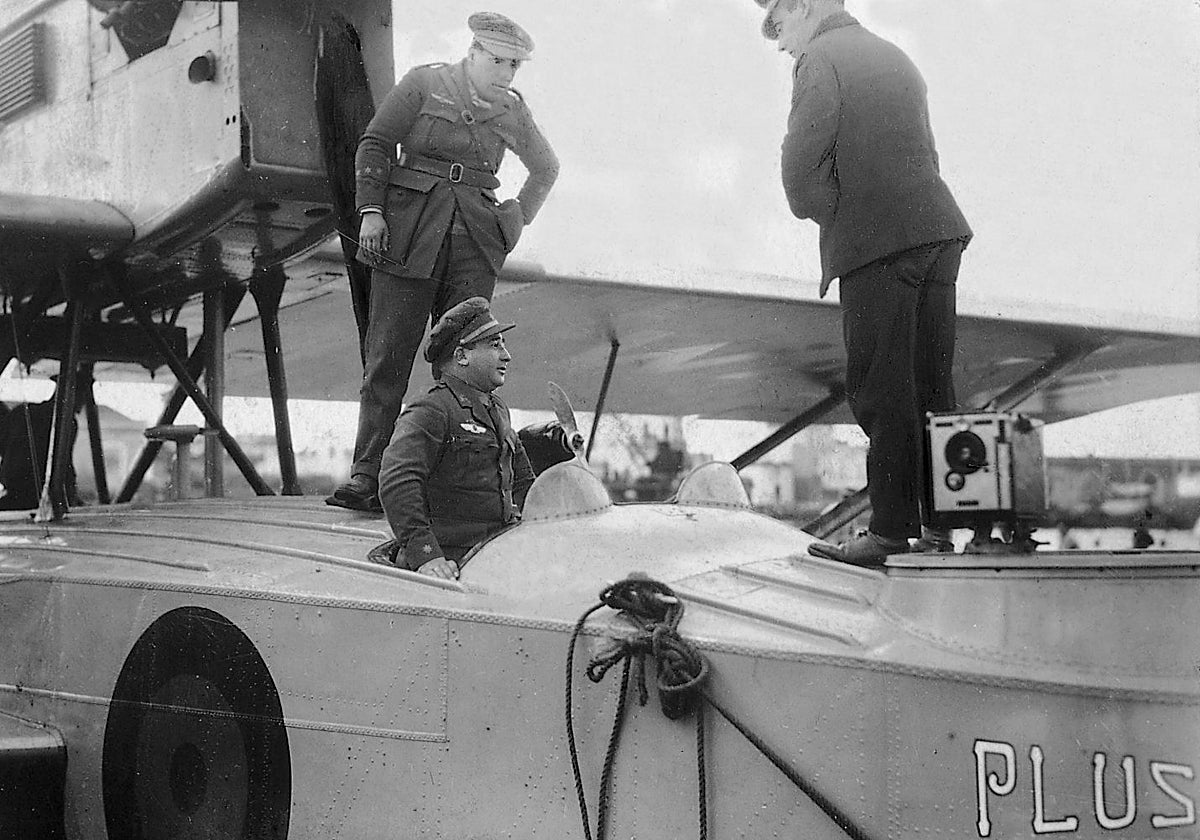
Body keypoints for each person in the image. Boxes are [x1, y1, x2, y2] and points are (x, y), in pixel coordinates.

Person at [755, 0, 973, 566]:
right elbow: (928, 154)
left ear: (802, 7)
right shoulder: (896, 56)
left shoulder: (819, 58)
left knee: (882, 388)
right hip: (938, 231)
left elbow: (800, 171)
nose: (780, 43)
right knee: (933, 387)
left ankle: (889, 533)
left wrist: (841, 214)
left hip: (878, 242)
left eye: (779, 25)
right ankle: (941, 530)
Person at [327, 11, 559, 512]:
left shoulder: (512, 110)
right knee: (387, 361)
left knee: (465, 366)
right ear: (473, 52)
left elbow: (546, 168)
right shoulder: (425, 84)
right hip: (409, 237)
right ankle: (368, 475)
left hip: (475, 245)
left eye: (514, 66)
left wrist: (516, 218)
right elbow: (374, 143)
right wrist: (371, 211)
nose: (506, 73)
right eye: (497, 62)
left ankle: (455, 485)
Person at [371, 297, 535, 579]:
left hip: (496, 556)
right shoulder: (432, 409)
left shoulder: (498, 410)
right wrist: (427, 556)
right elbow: (398, 481)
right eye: (495, 345)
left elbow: (524, 484)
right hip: (452, 565)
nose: (506, 355)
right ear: (461, 356)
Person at [0, 376, 85, 511]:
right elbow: (65, 466)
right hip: (39, 498)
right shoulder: (66, 421)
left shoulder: (21, 412)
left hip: (14, 491)